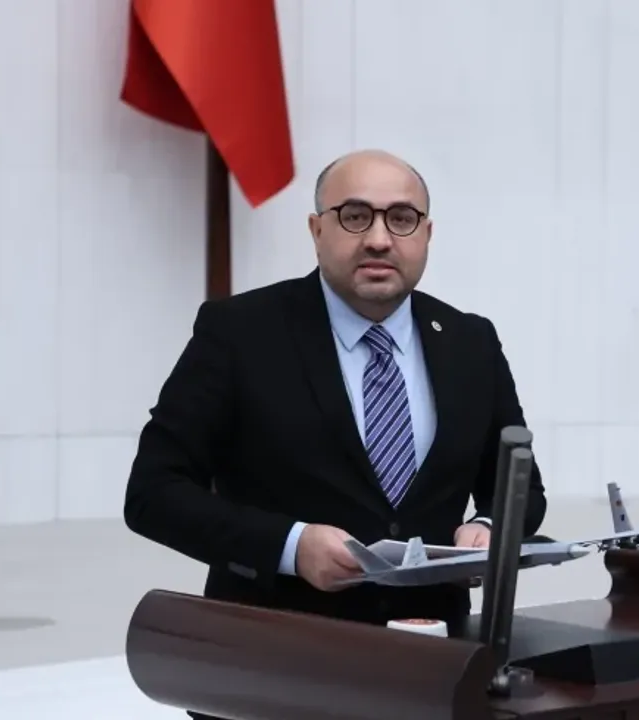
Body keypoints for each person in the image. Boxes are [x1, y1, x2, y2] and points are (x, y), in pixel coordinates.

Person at [123, 149, 547, 641]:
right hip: (273, 652)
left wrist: (490, 528)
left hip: (436, 658)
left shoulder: (470, 342)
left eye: (402, 219)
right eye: (355, 216)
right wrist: (290, 547)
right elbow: (154, 492)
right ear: (317, 229)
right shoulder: (240, 333)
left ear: (427, 234)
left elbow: (521, 490)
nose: (379, 239)